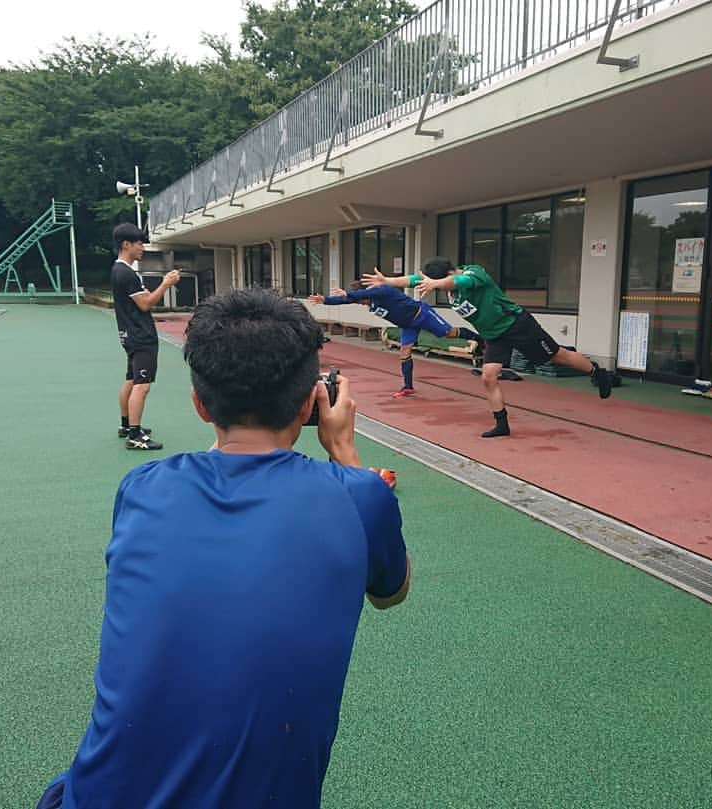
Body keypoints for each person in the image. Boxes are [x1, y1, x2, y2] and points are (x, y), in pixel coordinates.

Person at [36, 288, 410, 809]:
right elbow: (391, 591)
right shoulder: (359, 495)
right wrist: (343, 449)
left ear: (199, 404)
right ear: (310, 402)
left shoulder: (142, 487)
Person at [364, 257, 613, 438]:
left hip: (518, 325)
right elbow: (411, 279)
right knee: (488, 376)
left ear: (447, 273)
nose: (428, 284)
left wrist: (439, 284)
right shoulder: (436, 281)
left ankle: (597, 373)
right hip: (494, 335)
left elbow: (458, 280)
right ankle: (501, 423)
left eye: (435, 281)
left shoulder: (475, 273)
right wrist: (386, 280)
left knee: (557, 356)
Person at [309, 278, 482, 397]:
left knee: (448, 333)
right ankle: (408, 387)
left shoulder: (383, 292)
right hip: (407, 325)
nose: (360, 303)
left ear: (366, 293)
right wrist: (324, 299)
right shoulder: (365, 299)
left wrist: (350, 294)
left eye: (360, 298)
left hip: (423, 315)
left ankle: (479, 338)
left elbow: (358, 296)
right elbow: (343, 301)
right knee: (404, 353)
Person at [110, 223, 181, 450]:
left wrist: (153, 291)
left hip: (129, 333)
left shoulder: (121, 270)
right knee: (142, 384)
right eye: (139, 243)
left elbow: (143, 297)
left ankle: (126, 425)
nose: (143, 247)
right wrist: (167, 283)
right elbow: (146, 303)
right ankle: (134, 435)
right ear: (126, 244)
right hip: (141, 335)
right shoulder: (126, 273)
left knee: (131, 380)